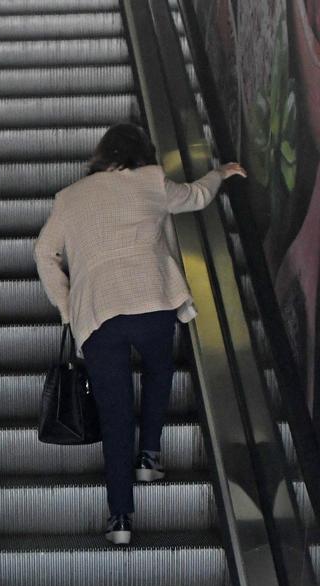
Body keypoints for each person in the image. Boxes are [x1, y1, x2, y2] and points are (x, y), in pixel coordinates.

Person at [35, 122, 246, 545]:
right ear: (141, 153)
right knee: (157, 369)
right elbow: (196, 196)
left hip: (98, 312)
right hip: (151, 296)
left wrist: (66, 306)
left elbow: (44, 252)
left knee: (114, 417)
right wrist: (220, 173)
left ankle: (120, 519)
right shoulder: (151, 181)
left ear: (102, 155)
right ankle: (149, 455)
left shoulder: (70, 198)